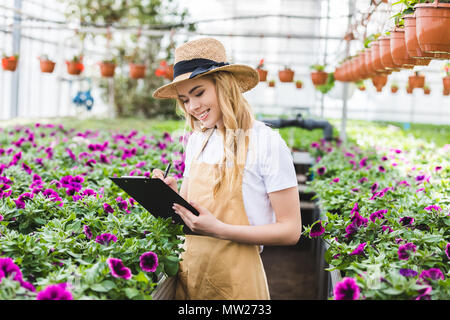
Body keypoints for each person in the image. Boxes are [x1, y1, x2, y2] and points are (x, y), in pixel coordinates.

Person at [151, 37, 301, 300]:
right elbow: (191, 214)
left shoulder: (265, 142)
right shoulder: (197, 140)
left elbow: (290, 230)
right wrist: (170, 196)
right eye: (185, 99)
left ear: (224, 86)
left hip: (236, 286)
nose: (193, 107)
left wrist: (219, 229)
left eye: (199, 93)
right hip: (190, 276)